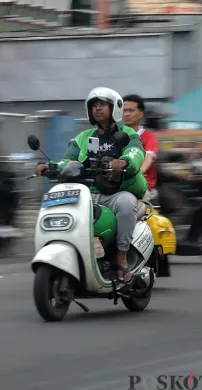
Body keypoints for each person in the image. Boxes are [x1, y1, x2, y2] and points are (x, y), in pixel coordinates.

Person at [35, 87, 148, 282]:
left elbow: (136, 154)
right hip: (88, 191)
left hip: (116, 192)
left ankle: (121, 257)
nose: (98, 109)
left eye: (102, 105)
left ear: (114, 108)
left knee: (126, 204)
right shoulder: (83, 137)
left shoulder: (128, 134)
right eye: (94, 105)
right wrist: (51, 166)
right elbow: (68, 160)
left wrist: (124, 162)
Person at [122, 94, 159, 201]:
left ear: (141, 114)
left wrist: (137, 173)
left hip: (141, 187)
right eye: (124, 111)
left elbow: (149, 156)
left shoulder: (149, 136)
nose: (127, 114)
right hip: (117, 185)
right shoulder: (116, 134)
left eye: (131, 110)